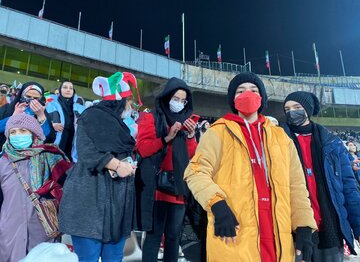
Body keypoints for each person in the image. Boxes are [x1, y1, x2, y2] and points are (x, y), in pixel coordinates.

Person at [184, 72, 317, 262]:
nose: (247, 94)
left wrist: (303, 225)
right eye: (240, 91)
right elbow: (195, 171)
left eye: (254, 90)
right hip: (235, 232)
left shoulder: (281, 137)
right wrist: (217, 204)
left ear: (261, 97)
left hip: (276, 233)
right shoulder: (218, 132)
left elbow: (296, 186)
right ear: (233, 99)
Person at [59, 72, 139, 262]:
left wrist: (129, 164)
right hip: (90, 199)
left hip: (117, 203)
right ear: (119, 101)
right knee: (88, 257)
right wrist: (117, 165)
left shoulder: (121, 125)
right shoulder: (91, 117)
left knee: (114, 257)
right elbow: (87, 153)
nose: (130, 107)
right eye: (128, 102)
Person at [282, 91, 360, 261]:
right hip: (294, 232)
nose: (291, 112)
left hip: (329, 227)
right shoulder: (278, 139)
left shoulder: (332, 142)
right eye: (287, 109)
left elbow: (348, 188)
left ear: (308, 110)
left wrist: (358, 226)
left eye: (297, 107)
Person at [136, 77, 197, 262]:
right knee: (154, 237)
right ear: (167, 97)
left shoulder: (188, 122)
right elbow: (143, 148)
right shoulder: (151, 117)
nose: (179, 103)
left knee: (173, 237)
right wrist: (166, 138)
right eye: (175, 98)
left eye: (182, 100)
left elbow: (192, 155)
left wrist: (192, 136)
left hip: (179, 188)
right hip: (158, 189)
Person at [0, 113, 71, 261]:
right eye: (13, 132)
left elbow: (69, 189)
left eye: (23, 131)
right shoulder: (3, 162)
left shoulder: (50, 156)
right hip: (10, 230)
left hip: (43, 229)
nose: (17, 135)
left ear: (34, 134)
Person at [0, 82, 56, 150]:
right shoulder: (7, 108)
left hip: (33, 154)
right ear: (22, 95)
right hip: (6, 151)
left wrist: (41, 117)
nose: (31, 100)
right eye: (28, 96)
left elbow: (49, 139)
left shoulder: (43, 112)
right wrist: (14, 117)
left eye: (36, 98)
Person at [46, 81, 85, 161]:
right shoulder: (52, 104)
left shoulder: (80, 108)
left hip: (72, 143)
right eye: (65, 87)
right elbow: (44, 120)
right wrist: (52, 125)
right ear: (60, 90)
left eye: (71, 88)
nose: (68, 90)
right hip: (56, 141)